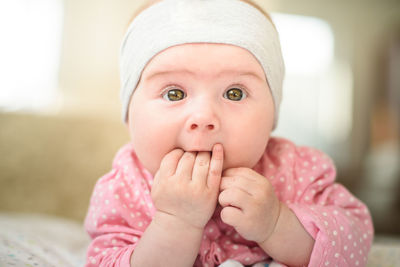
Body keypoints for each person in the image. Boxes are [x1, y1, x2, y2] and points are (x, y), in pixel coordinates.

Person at [84, 0, 374, 266]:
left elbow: (355, 242)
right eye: (174, 93)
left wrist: (276, 224)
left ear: (272, 113)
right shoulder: (124, 187)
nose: (203, 117)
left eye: (234, 93)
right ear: (128, 115)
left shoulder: (296, 170)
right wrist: (175, 223)